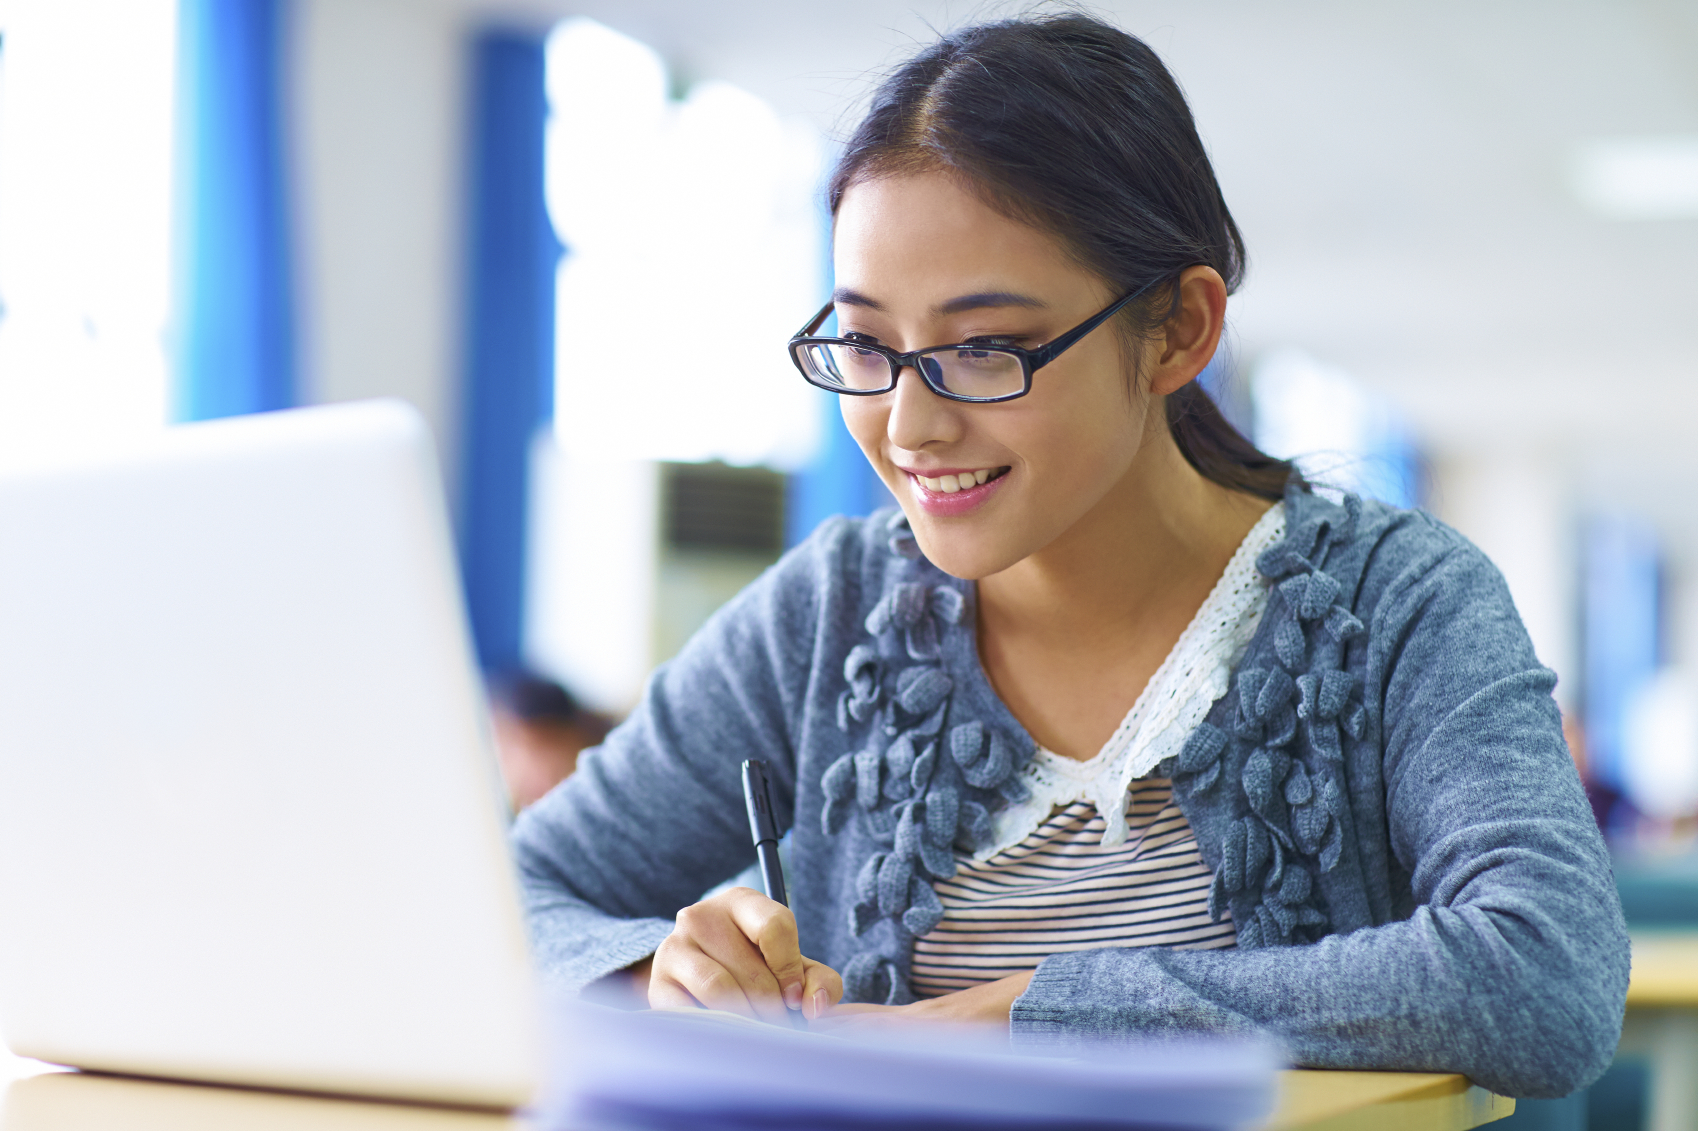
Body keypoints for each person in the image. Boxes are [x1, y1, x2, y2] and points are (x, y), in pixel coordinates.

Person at [513, 13, 1627, 1098]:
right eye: (866, 343)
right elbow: (510, 891)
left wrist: (1034, 1014)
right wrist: (658, 970)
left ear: (1180, 331)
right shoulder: (831, 611)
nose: (909, 427)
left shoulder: (1395, 602)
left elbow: (1545, 978)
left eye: (986, 348)